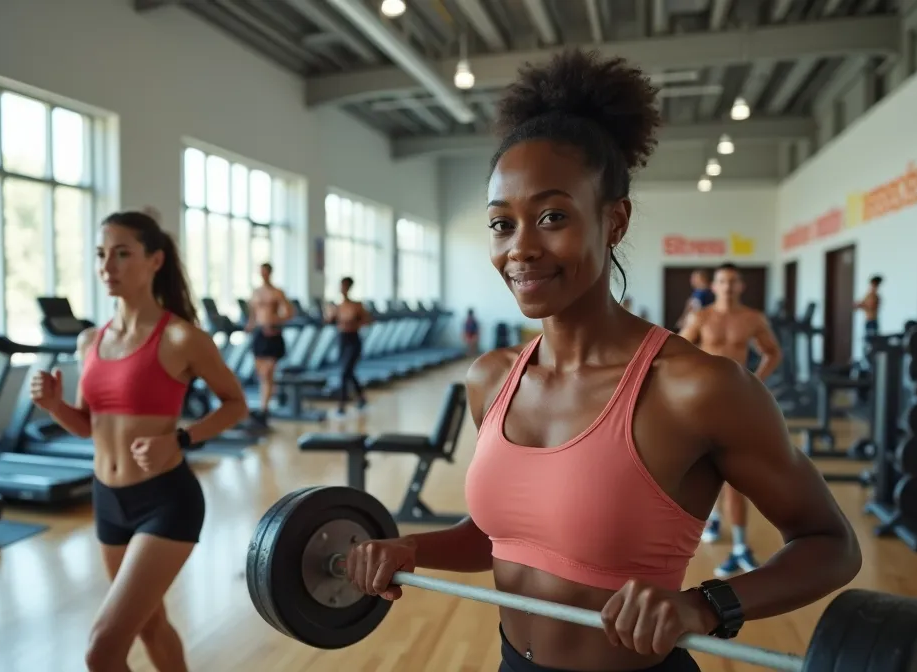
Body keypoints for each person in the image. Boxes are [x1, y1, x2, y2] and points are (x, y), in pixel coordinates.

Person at [343, 50, 860, 672]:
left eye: (553, 216)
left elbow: (830, 544)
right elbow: (507, 537)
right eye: (501, 224)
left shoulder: (697, 389)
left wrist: (703, 605)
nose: (522, 248)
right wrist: (409, 548)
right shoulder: (492, 378)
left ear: (614, 220)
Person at [30, 210, 249, 672]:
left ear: (155, 261)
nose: (108, 266)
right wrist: (54, 406)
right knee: (150, 625)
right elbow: (90, 425)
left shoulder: (180, 337)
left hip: (165, 501)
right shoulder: (91, 340)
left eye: (122, 253)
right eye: (101, 254)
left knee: (102, 650)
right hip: (106, 499)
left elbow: (235, 404)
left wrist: (182, 438)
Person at [679, 263, 784, 579]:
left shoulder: (752, 318)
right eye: (722, 281)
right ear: (714, 286)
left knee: (736, 475)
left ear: (741, 286)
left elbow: (772, 353)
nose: (727, 286)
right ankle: (712, 518)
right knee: (703, 468)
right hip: (704, 402)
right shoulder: (701, 317)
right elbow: (678, 351)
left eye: (733, 281)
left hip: (737, 402)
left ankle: (740, 546)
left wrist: (755, 381)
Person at [244, 262, 295, 424]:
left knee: (267, 373)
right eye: (261, 272)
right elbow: (252, 315)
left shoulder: (277, 293)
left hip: (273, 333)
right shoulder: (255, 293)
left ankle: (264, 409)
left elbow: (289, 313)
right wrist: (250, 326)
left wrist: (276, 321)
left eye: (265, 272)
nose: (263, 275)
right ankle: (263, 405)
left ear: (270, 273)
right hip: (259, 334)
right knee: (262, 374)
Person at [324, 276, 371, 418]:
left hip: (353, 339)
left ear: (349, 287)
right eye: (341, 286)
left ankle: (341, 404)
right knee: (348, 372)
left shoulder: (357, 305)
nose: (342, 289)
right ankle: (361, 398)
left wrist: (353, 323)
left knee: (345, 372)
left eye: (345, 286)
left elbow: (367, 320)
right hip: (341, 339)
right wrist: (328, 313)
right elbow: (328, 321)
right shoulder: (336, 306)